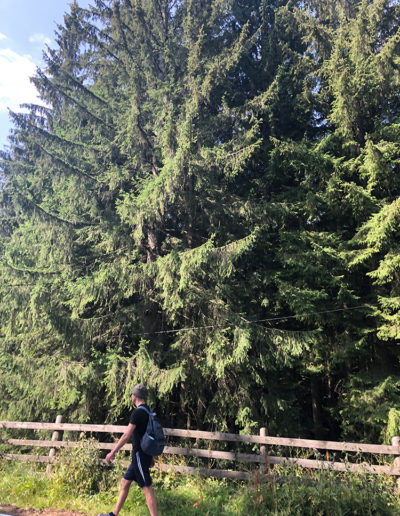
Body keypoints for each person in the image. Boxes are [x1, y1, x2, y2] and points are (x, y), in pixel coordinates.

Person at [99, 383, 158, 516]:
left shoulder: (137, 413)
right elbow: (150, 435)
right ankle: (114, 514)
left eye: (132, 394)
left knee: (147, 488)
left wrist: (112, 452)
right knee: (125, 483)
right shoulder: (149, 411)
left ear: (135, 396)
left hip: (139, 456)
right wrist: (151, 456)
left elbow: (126, 436)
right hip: (143, 455)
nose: (131, 396)